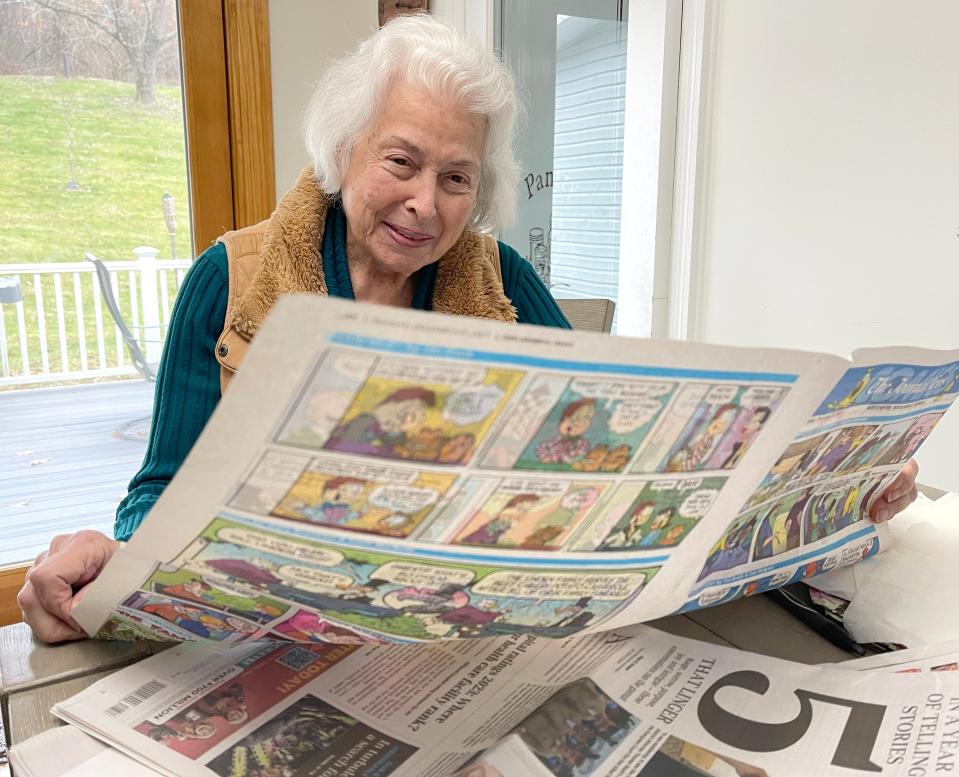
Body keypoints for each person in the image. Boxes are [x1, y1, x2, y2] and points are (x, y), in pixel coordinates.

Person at [17, 13, 919, 643]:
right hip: (278, 630)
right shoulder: (232, 276)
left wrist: (832, 497)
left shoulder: (502, 280)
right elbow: (159, 486)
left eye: (457, 177)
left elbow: (634, 467)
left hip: (456, 637)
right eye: (400, 161)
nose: (425, 204)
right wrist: (117, 553)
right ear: (342, 154)